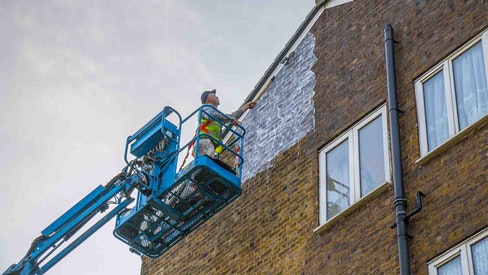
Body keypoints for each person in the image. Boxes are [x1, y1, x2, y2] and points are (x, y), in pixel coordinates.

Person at [197, 89, 256, 158]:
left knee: (207, 164)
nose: (217, 97)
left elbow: (233, 116)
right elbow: (212, 115)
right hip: (204, 142)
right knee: (205, 164)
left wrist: (246, 106)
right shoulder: (205, 108)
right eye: (214, 95)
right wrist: (230, 119)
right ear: (209, 99)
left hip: (210, 144)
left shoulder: (218, 115)